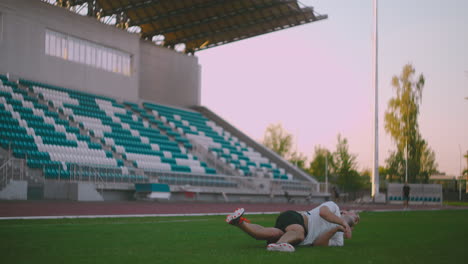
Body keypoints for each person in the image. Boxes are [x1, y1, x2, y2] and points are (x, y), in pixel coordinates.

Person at [225, 201, 359, 252]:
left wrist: (336, 229)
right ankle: (281, 245)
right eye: (354, 215)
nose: (356, 218)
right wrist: (343, 222)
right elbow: (323, 212)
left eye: (357, 220)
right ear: (344, 212)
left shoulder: (339, 238)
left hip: (293, 232)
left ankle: (239, 222)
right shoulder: (334, 207)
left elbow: (318, 244)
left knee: (272, 233)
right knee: (299, 233)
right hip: (296, 218)